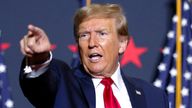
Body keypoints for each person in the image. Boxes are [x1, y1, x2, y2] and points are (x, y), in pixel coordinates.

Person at [19, 3, 168, 108]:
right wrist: (39, 58)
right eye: (84, 35)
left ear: (122, 43)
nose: (92, 43)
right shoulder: (63, 84)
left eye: (102, 34)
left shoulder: (153, 96)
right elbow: (41, 82)